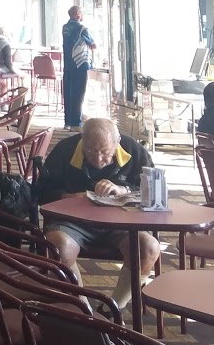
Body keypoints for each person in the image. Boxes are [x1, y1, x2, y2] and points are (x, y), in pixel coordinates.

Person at [35, 117, 158, 307]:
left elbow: (153, 190)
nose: (98, 158)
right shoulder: (65, 150)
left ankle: (113, 308)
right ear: (82, 141)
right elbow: (41, 193)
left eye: (105, 152)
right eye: (91, 151)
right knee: (58, 246)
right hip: (73, 222)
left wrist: (123, 190)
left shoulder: (134, 150)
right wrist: (68, 197)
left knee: (148, 247)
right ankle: (82, 308)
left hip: (122, 221)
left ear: (117, 142)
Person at [60, 6, 97, 128]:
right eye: (82, 12)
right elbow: (93, 44)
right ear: (78, 14)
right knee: (78, 94)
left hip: (67, 65)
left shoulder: (65, 28)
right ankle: (76, 122)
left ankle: (67, 122)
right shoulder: (82, 29)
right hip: (80, 65)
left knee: (68, 93)